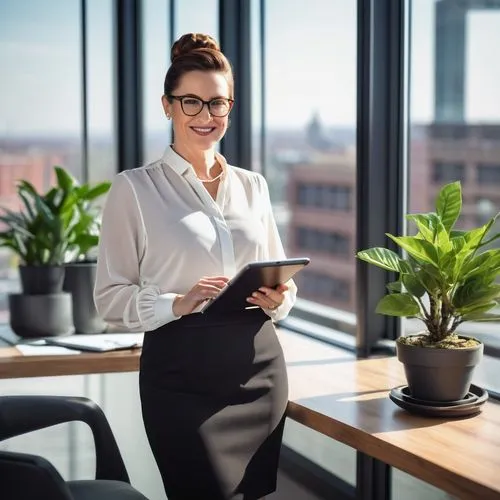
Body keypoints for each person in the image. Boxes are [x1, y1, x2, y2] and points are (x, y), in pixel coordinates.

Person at [94, 32, 297, 500]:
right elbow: (109, 299)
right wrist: (178, 302)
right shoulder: (133, 189)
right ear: (167, 106)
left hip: (259, 368)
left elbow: (282, 285)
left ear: (230, 107)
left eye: (218, 104)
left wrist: (279, 298)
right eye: (191, 102)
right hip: (180, 377)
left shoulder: (254, 186)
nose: (206, 116)